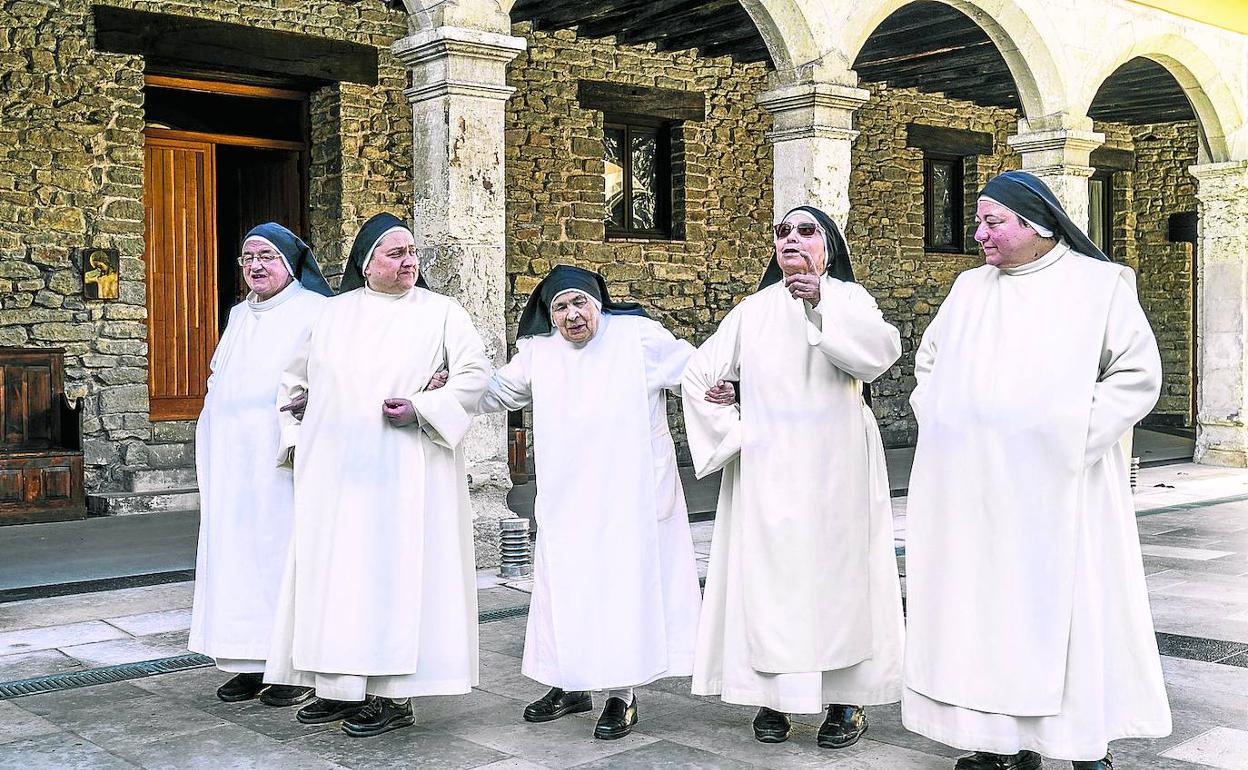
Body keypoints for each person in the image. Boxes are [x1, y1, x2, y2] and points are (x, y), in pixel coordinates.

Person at [902, 171, 1172, 770]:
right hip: (975, 487)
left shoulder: (1099, 286)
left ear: (1038, 224)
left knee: (1067, 617)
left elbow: (1137, 374)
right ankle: (997, 743)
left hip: (1062, 488)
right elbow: (929, 364)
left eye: (992, 222)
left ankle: (1082, 746)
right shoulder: (969, 288)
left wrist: (1065, 436)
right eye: (978, 221)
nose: (978, 234)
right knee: (984, 615)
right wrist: (947, 419)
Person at [681, 205, 904, 749]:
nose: (792, 239)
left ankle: (846, 701)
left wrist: (821, 303)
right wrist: (733, 419)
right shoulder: (752, 310)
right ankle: (776, 697)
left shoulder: (850, 298)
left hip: (838, 464)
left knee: (841, 582)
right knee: (774, 582)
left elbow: (879, 355)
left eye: (807, 231)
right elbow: (699, 373)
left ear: (829, 246)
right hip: (770, 467)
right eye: (783, 232)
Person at [262, 212, 490, 738]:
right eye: (396, 253)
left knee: (393, 579)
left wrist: (423, 406)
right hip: (336, 477)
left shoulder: (442, 312)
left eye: (413, 252)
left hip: (405, 472)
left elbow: (475, 374)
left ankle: (394, 697)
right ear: (367, 263)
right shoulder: (331, 314)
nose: (410, 261)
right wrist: (297, 426)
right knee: (337, 581)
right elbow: (293, 382)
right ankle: (340, 687)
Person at [472, 265, 713, 740]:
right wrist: (447, 387)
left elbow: (698, 371)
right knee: (566, 589)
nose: (572, 315)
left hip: (629, 495)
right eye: (560, 307)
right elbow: (497, 391)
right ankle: (570, 684)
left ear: (598, 303)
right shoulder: (539, 350)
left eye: (579, 303)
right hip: (568, 497)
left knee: (621, 592)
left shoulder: (638, 337)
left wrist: (729, 388)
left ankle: (622, 696)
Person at [189, 223, 332, 707]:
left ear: (289, 263)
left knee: (282, 554)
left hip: (281, 459)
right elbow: (221, 376)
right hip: (231, 459)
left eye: (266, 257)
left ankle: (292, 667)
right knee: (235, 556)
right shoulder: (238, 314)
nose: (255, 266)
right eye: (248, 258)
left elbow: (335, 373)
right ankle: (248, 661)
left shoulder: (316, 309)